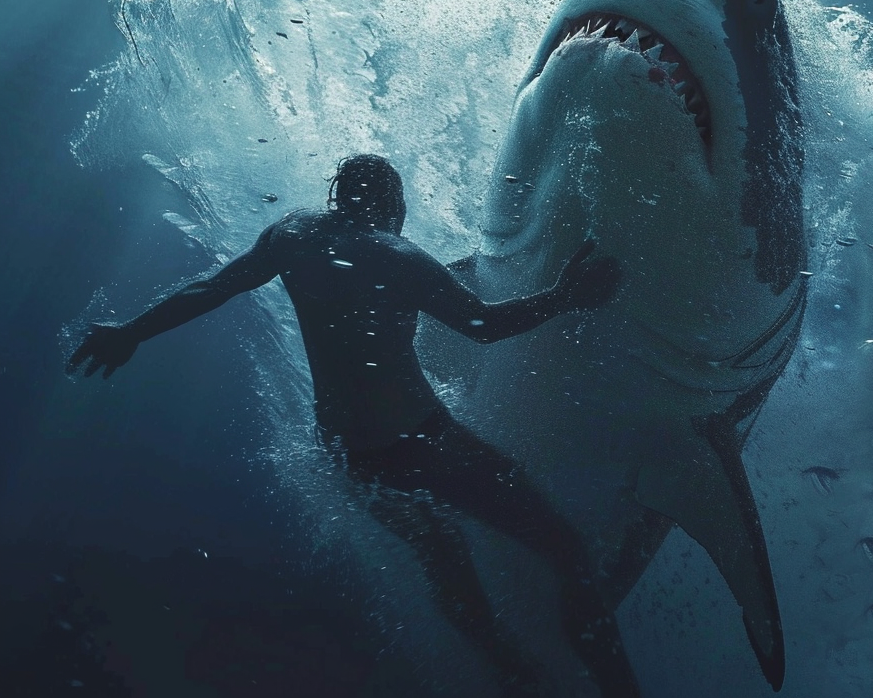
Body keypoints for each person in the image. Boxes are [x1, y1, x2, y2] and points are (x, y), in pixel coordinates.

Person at [69, 154, 641, 697]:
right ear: (393, 206)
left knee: (443, 555)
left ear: (338, 198)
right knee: (561, 546)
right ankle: (616, 689)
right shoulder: (400, 256)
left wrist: (131, 332)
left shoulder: (291, 236)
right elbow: (483, 325)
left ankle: (515, 676)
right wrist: (565, 298)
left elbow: (211, 288)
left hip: (351, 452)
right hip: (424, 441)